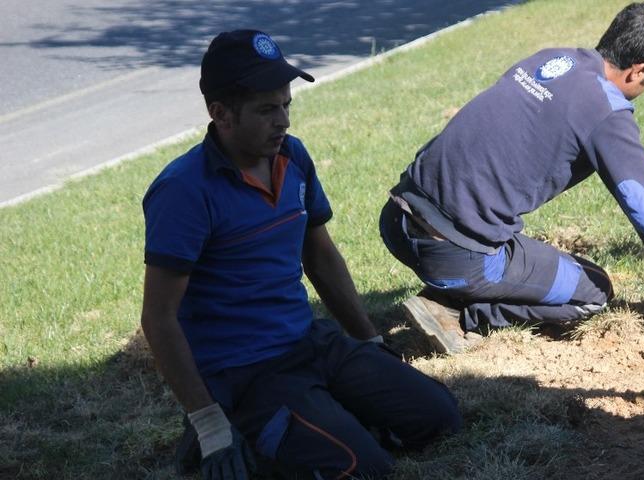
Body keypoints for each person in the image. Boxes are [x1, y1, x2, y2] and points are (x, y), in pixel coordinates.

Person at [140, 30, 461, 480]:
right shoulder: (183, 191)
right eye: (267, 110)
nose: (283, 121)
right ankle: (238, 428)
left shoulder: (293, 157)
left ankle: (319, 419)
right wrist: (208, 422)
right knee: (363, 469)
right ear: (220, 113)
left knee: (441, 417)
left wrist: (368, 341)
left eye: (286, 105)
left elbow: (320, 254)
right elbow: (158, 318)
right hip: (246, 373)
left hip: (310, 343)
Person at [378, 2, 644, 354]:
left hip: (397, 219)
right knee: (593, 290)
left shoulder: (553, 60)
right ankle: (458, 313)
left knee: (499, 249)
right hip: (455, 256)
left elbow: (560, 130)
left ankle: (450, 290)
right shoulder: (607, 112)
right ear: (640, 71)